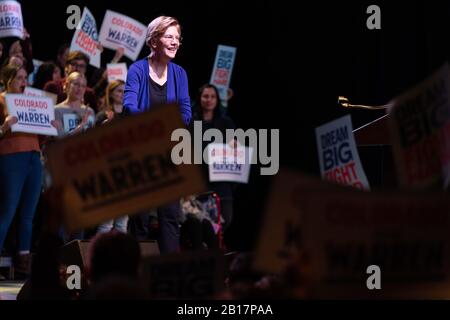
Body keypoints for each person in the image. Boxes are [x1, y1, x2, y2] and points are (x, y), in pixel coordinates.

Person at [123, 16, 191, 253]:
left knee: (170, 218)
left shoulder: (180, 74)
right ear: (153, 40)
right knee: (140, 219)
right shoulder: (137, 70)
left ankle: (168, 276)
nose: (175, 42)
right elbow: (129, 105)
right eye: (169, 36)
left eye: (177, 38)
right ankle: (135, 276)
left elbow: (185, 111)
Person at [0, 65, 41, 275]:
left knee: (28, 215)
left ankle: (24, 264)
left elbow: (41, 130)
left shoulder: (34, 102)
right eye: (19, 78)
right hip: (11, 158)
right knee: (7, 211)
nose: (24, 82)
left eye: (26, 78)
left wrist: (50, 126)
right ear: (8, 80)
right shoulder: (1, 99)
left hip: (34, 157)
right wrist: (4, 127)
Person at [190, 84, 236, 231]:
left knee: (226, 219)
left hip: (221, 179)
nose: (209, 100)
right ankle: (207, 249)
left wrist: (234, 145)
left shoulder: (226, 122)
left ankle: (214, 246)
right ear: (199, 98)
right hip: (199, 179)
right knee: (201, 221)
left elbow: (234, 147)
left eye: (212, 97)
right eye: (205, 96)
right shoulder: (191, 121)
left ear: (217, 100)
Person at [95, 80, 128, 233]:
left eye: (125, 91)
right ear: (111, 93)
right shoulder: (103, 115)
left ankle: (119, 256)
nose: (123, 94)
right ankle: (100, 255)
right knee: (106, 223)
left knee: (122, 224)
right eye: (119, 91)